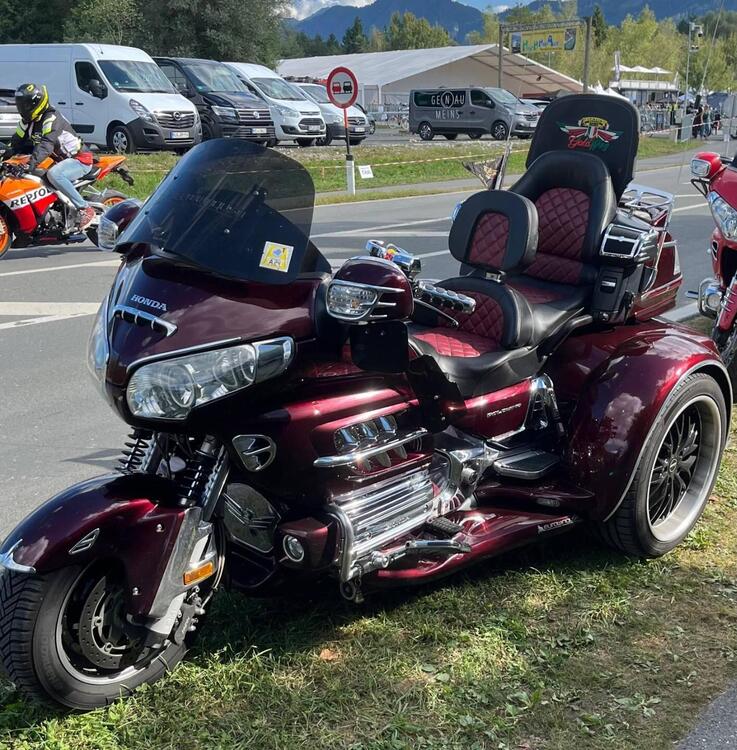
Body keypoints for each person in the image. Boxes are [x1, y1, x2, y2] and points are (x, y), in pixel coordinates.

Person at [5, 83, 95, 230]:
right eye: (21, 104)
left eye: (26, 104)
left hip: (79, 159)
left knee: (54, 174)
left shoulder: (51, 118)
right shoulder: (27, 122)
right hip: (57, 160)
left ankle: (85, 208)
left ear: (37, 103)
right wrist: (5, 157)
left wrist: (29, 164)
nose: (23, 108)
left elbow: (46, 145)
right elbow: (16, 144)